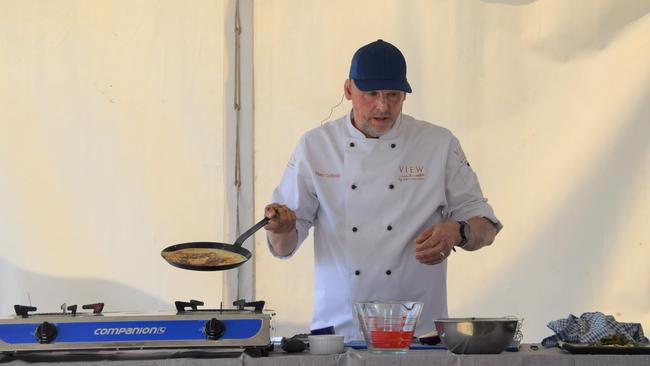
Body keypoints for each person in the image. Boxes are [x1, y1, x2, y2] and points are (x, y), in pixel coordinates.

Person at [264, 39, 502, 341]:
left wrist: (459, 231)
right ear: (349, 90)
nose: (383, 106)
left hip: (420, 334)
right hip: (339, 333)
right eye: (372, 94)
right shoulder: (315, 147)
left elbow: (487, 227)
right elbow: (283, 247)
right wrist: (280, 228)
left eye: (393, 94)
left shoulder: (438, 144)